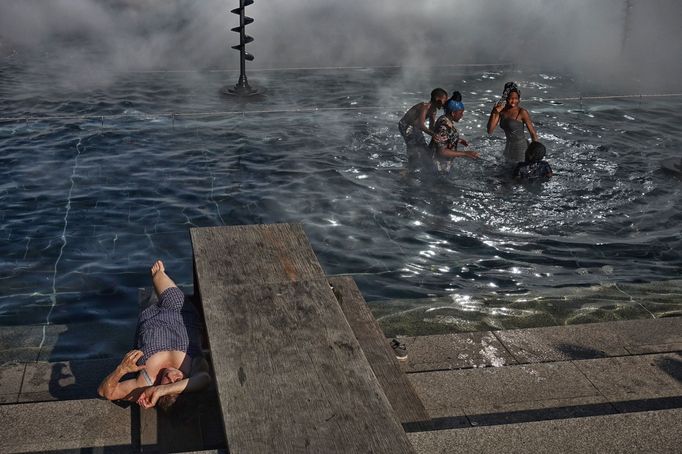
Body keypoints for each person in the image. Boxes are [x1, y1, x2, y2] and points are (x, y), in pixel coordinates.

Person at [98, 260, 211, 410]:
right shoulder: (193, 371)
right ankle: (160, 276)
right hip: (179, 310)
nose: (172, 377)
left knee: (150, 288)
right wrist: (165, 389)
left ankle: (154, 286)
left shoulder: (145, 382)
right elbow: (205, 378)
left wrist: (121, 370)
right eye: (176, 382)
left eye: (167, 383)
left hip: (149, 315)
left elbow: (105, 392)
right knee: (158, 274)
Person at [487, 82, 539, 163]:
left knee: (517, 171)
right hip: (509, 147)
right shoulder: (501, 111)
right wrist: (494, 112)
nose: (513, 101)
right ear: (506, 98)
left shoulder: (522, 112)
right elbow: (490, 130)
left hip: (521, 148)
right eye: (511, 98)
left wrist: (535, 151)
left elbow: (533, 133)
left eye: (516, 98)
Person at [428, 92, 479, 174]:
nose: (462, 115)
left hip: (441, 166)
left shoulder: (445, 120)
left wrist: (457, 140)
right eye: (460, 113)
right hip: (437, 168)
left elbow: (444, 138)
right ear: (453, 113)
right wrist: (465, 153)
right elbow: (442, 151)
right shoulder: (444, 125)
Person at [399, 88, 449, 167]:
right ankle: (409, 167)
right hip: (406, 126)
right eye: (444, 101)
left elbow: (431, 127)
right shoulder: (424, 106)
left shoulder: (433, 110)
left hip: (416, 127)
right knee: (413, 147)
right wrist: (433, 134)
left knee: (423, 147)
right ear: (437, 99)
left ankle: (423, 164)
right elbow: (421, 125)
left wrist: (441, 134)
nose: (444, 104)